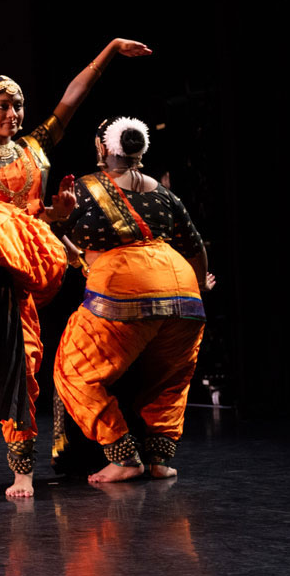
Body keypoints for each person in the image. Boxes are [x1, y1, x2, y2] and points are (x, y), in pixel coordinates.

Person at [0, 38, 152, 497]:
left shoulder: (34, 147)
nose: (13, 114)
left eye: (17, 105)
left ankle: (23, 472)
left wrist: (109, 51)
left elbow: (72, 99)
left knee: (26, 366)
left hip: (28, 272)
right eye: (3, 106)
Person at [50, 116, 208, 482]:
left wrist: (66, 236)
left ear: (102, 148)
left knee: (74, 371)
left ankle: (123, 456)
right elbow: (195, 246)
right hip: (184, 294)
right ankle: (160, 460)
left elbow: (55, 228)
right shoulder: (165, 194)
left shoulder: (86, 189)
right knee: (169, 380)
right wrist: (199, 286)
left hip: (126, 289)